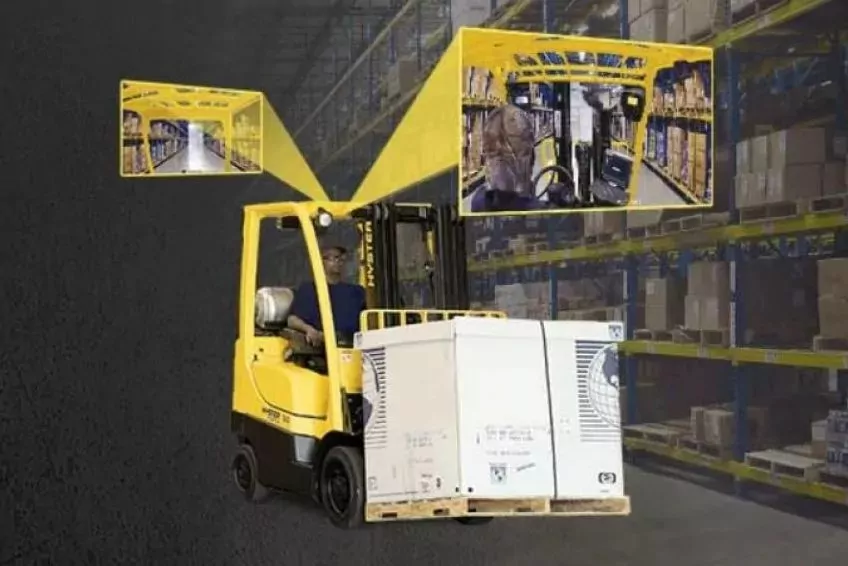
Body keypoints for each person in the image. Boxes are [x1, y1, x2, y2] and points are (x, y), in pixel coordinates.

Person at [287, 242, 367, 346]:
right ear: (320, 262)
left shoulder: (356, 291)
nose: (337, 261)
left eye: (339, 257)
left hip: (353, 346)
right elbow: (292, 319)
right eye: (330, 258)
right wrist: (309, 330)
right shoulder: (309, 289)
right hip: (322, 349)